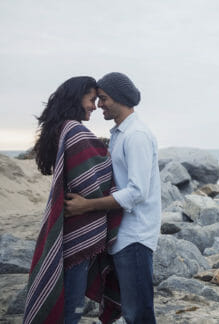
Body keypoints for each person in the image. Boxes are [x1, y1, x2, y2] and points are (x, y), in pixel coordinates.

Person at [23, 76, 122, 324]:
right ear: (77, 99)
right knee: (73, 304)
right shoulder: (75, 132)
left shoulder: (59, 129)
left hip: (67, 228)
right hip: (79, 231)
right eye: (91, 99)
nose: (94, 106)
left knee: (64, 294)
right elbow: (96, 176)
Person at [64, 72, 161, 324]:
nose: (100, 105)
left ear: (119, 98)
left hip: (135, 235)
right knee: (129, 311)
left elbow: (137, 192)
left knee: (138, 313)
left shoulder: (136, 135)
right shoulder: (119, 134)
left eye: (104, 98)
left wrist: (87, 206)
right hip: (121, 234)